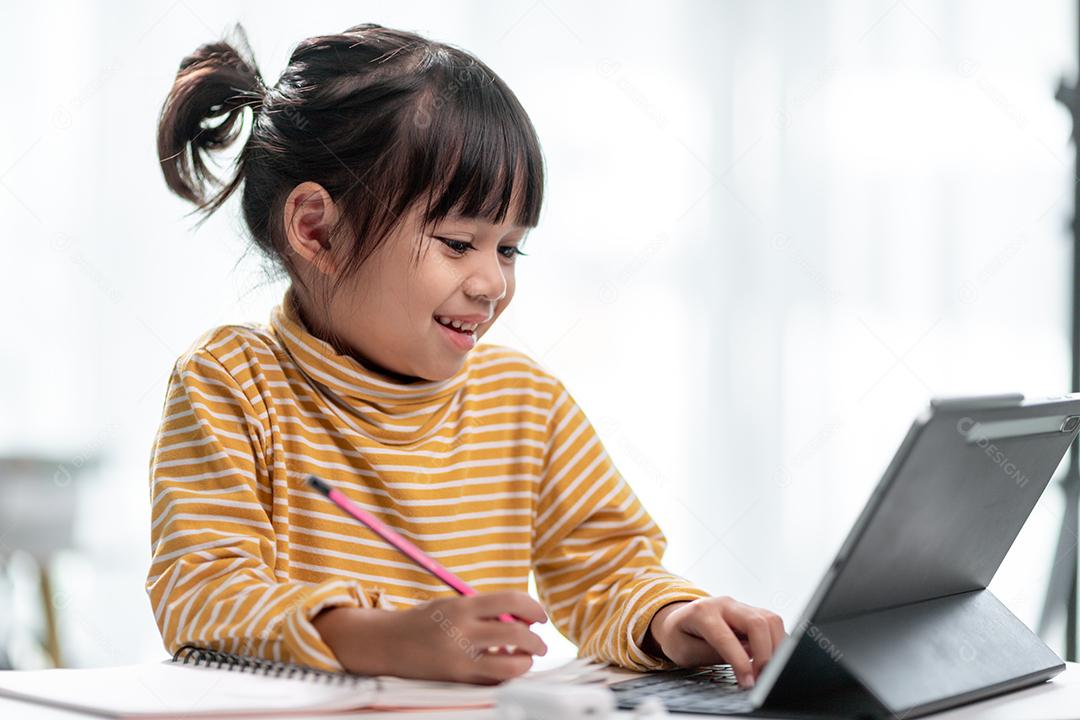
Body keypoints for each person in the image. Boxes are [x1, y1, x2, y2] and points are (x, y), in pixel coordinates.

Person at [147, 22, 784, 687]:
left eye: (508, 248)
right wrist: (378, 638)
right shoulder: (230, 383)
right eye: (458, 243)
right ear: (318, 231)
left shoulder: (524, 402)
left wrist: (672, 618)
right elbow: (201, 593)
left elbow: (609, 568)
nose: (492, 283)